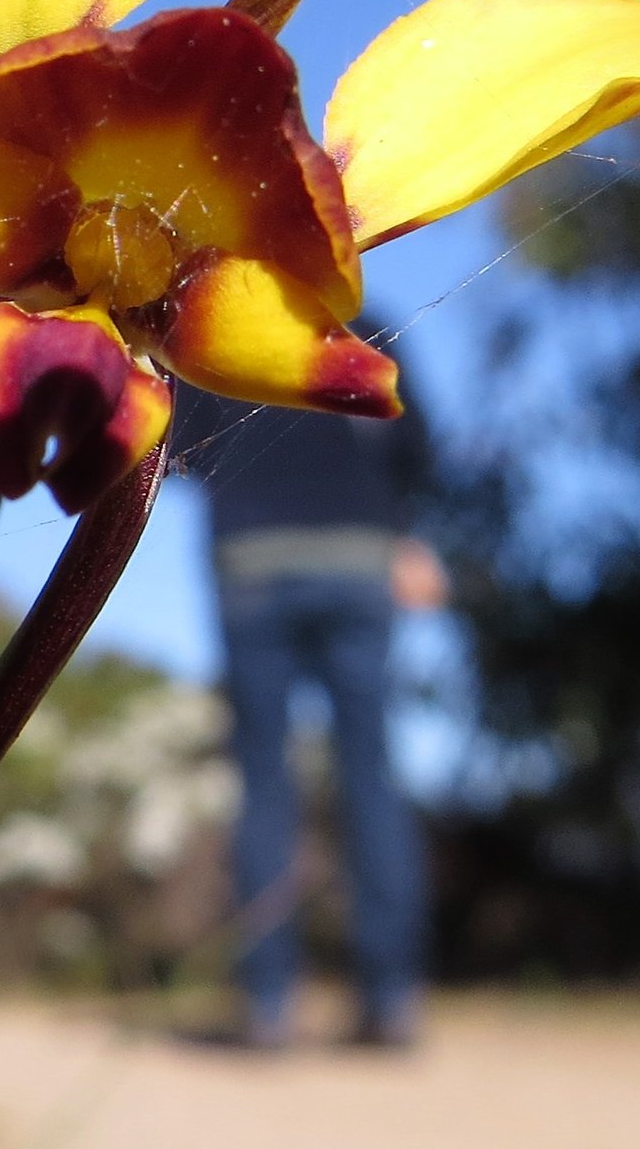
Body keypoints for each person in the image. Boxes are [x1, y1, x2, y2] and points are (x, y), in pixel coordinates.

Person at [172, 362, 447, 1050]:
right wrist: (405, 531)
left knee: (264, 779)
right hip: (358, 558)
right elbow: (417, 449)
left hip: (251, 559)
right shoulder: (358, 317)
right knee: (371, 773)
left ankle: (270, 1005)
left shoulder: (201, 318)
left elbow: (172, 447)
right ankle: (390, 1000)